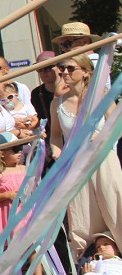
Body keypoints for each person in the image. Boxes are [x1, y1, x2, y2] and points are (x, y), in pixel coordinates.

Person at [49, 54, 122, 260]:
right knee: (82, 215)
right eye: (62, 68)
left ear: (86, 72)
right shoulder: (58, 104)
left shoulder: (102, 97)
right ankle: (89, 262)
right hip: (75, 165)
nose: (64, 72)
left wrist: (100, 136)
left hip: (102, 160)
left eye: (71, 68)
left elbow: (117, 127)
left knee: (115, 206)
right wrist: (57, 152)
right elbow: (55, 135)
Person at [0, 145, 47, 275]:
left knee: (32, 244)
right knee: (11, 247)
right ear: (2, 154)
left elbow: (32, 187)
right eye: (14, 151)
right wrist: (6, 195)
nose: (19, 154)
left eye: (20, 151)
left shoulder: (23, 169)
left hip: (25, 212)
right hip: (8, 213)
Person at [30, 51, 58, 136]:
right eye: (39, 69)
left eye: (47, 68)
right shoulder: (36, 94)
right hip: (51, 138)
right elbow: (38, 118)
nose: (43, 73)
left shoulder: (69, 88)